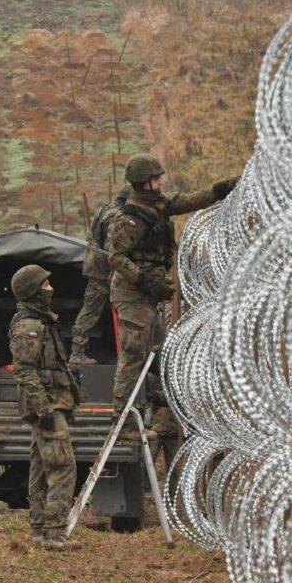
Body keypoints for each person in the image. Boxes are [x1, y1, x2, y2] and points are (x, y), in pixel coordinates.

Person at [107, 153, 238, 442]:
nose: (161, 181)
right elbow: (116, 257)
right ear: (144, 183)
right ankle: (123, 423)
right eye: (156, 178)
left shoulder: (158, 205)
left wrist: (223, 188)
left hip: (149, 294)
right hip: (132, 296)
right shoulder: (130, 220)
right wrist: (143, 279)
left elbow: (189, 201)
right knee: (134, 356)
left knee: (161, 355)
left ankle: (164, 416)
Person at [8, 264, 83, 551]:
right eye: (45, 286)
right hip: (46, 406)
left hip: (52, 403)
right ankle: (54, 533)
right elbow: (24, 371)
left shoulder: (41, 323)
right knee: (63, 466)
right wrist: (45, 410)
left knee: (41, 466)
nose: (51, 289)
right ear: (34, 292)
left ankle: (40, 528)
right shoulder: (30, 327)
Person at [69, 187, 131, 367]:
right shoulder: (116, 216)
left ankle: (117, 353)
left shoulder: (106, 209)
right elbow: (112, 247)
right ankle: (77, 353)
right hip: (104, 273)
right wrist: (116, 270)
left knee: (93, 310)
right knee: (93, 312)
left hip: (97, 269)